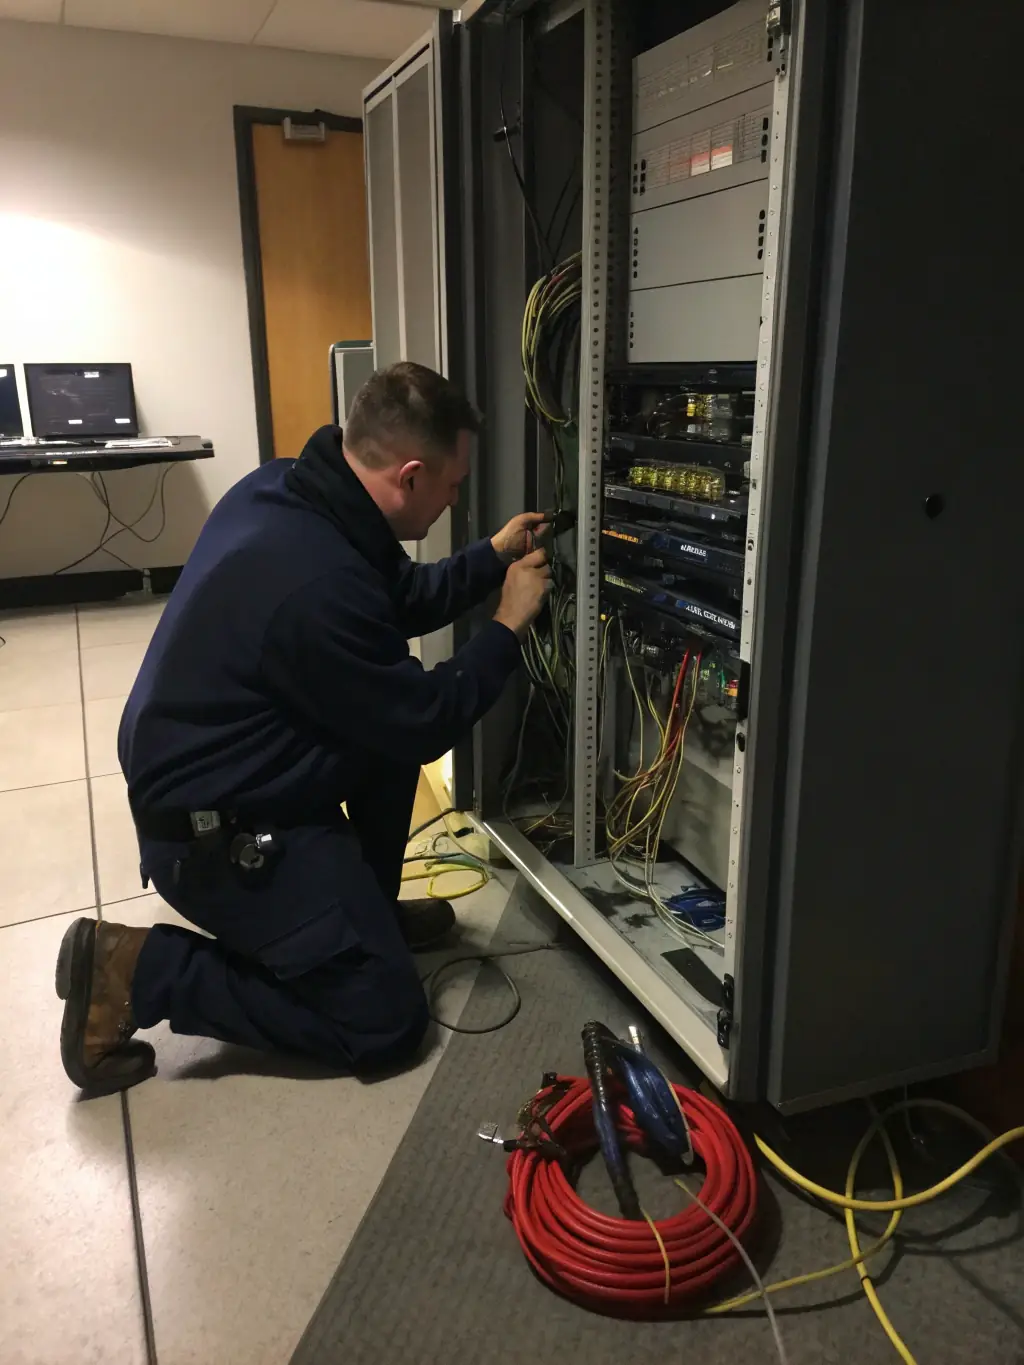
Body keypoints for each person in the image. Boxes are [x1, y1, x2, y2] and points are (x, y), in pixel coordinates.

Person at [55, 362, 551, 1094]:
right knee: (384, 1021)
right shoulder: (316, 583)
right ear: (411, 476)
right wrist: (506, 625)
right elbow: (422, 721)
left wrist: (493, 557)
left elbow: (397, 597)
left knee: (379, 734)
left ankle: (362, 922)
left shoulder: (294, 488)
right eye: (452, 483)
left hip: (239, 772)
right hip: (210, 834)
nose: (457, 497)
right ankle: (138, 969)